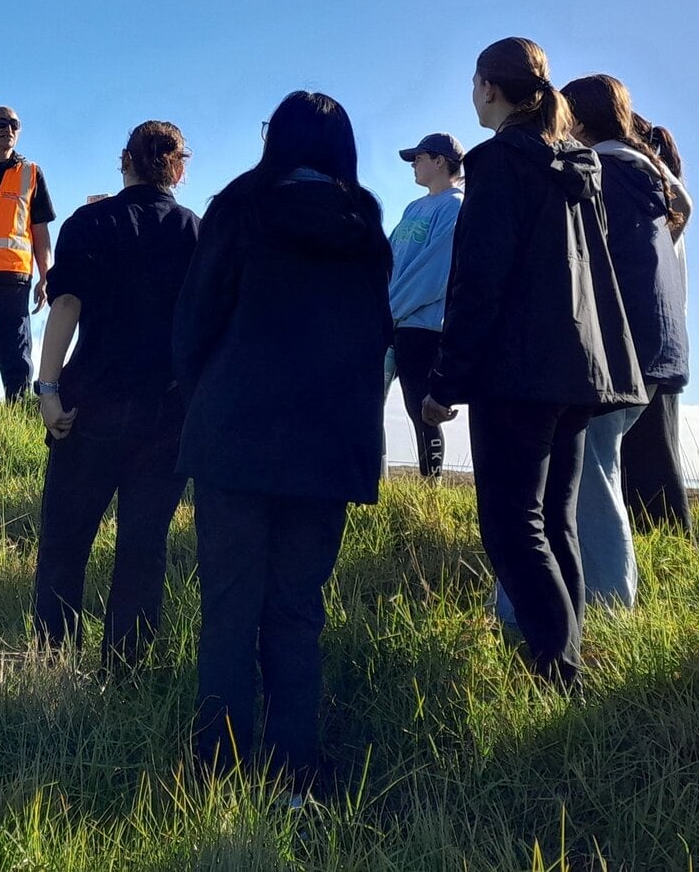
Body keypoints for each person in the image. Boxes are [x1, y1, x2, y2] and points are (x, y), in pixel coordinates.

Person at [173, 92, 392, 792]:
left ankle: (219, 768)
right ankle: (295, 772)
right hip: (326, 447)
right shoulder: (366, 225)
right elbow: (374, 339)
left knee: (228, 607)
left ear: (277, 139)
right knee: (298, 609)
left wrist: (201, 392)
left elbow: (196, 319)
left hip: (235, 434)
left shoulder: (239, 205)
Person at [423, 40, 642, 687]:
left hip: (517, 371)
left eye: (474, 83)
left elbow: (479, 280)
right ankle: (564, 660)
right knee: (554, 519)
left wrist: (446, 380)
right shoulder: (578, 165)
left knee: (511, 524)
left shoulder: (498, 163)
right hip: (578, 369)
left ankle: (559, 673)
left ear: (490, 88)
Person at [33, 121, 202, 669]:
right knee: (143, 547)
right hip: (167, 409)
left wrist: (48, 388)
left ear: (124, 161)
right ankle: (125, 669)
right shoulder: (194, 231)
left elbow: (66, 307)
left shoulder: (88, 223)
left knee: (65, 540)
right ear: (178, 168)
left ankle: (52, 658)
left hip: (92, 400)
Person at [560, 75, 689, 609]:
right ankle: (597, 600)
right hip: (656, 348)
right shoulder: (649, 177)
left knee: (593, 475)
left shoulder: (603, 173)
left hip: (618, 349)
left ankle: (609, 608)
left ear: (580, 121)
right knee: (603, 469)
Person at [621, 112, 695, 535]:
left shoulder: (643, 178)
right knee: (655, 448)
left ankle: (668, 544)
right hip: (664, 333)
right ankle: (666, 544)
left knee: (650, 452)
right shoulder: (654, 180)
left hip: (647, 333)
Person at [385, 132, 465, 480]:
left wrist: (391, 307)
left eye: (419, 158)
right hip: (392, 321)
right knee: (370, 405)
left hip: (424, 326)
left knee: (422, 410)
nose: (414, 165)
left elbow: (435, 271)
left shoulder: (457, 205)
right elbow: (390, 260)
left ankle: (429, 488)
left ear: (440, 161)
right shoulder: (413, 208)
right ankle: (370, 486)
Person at [0, 106, 56, 400]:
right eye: (0, 123)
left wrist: (47, 275)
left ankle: (18, 408)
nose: (8, 129)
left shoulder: (30, 173)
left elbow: (40, 230)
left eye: (14, 124)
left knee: (15, 349)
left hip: (13, 275)